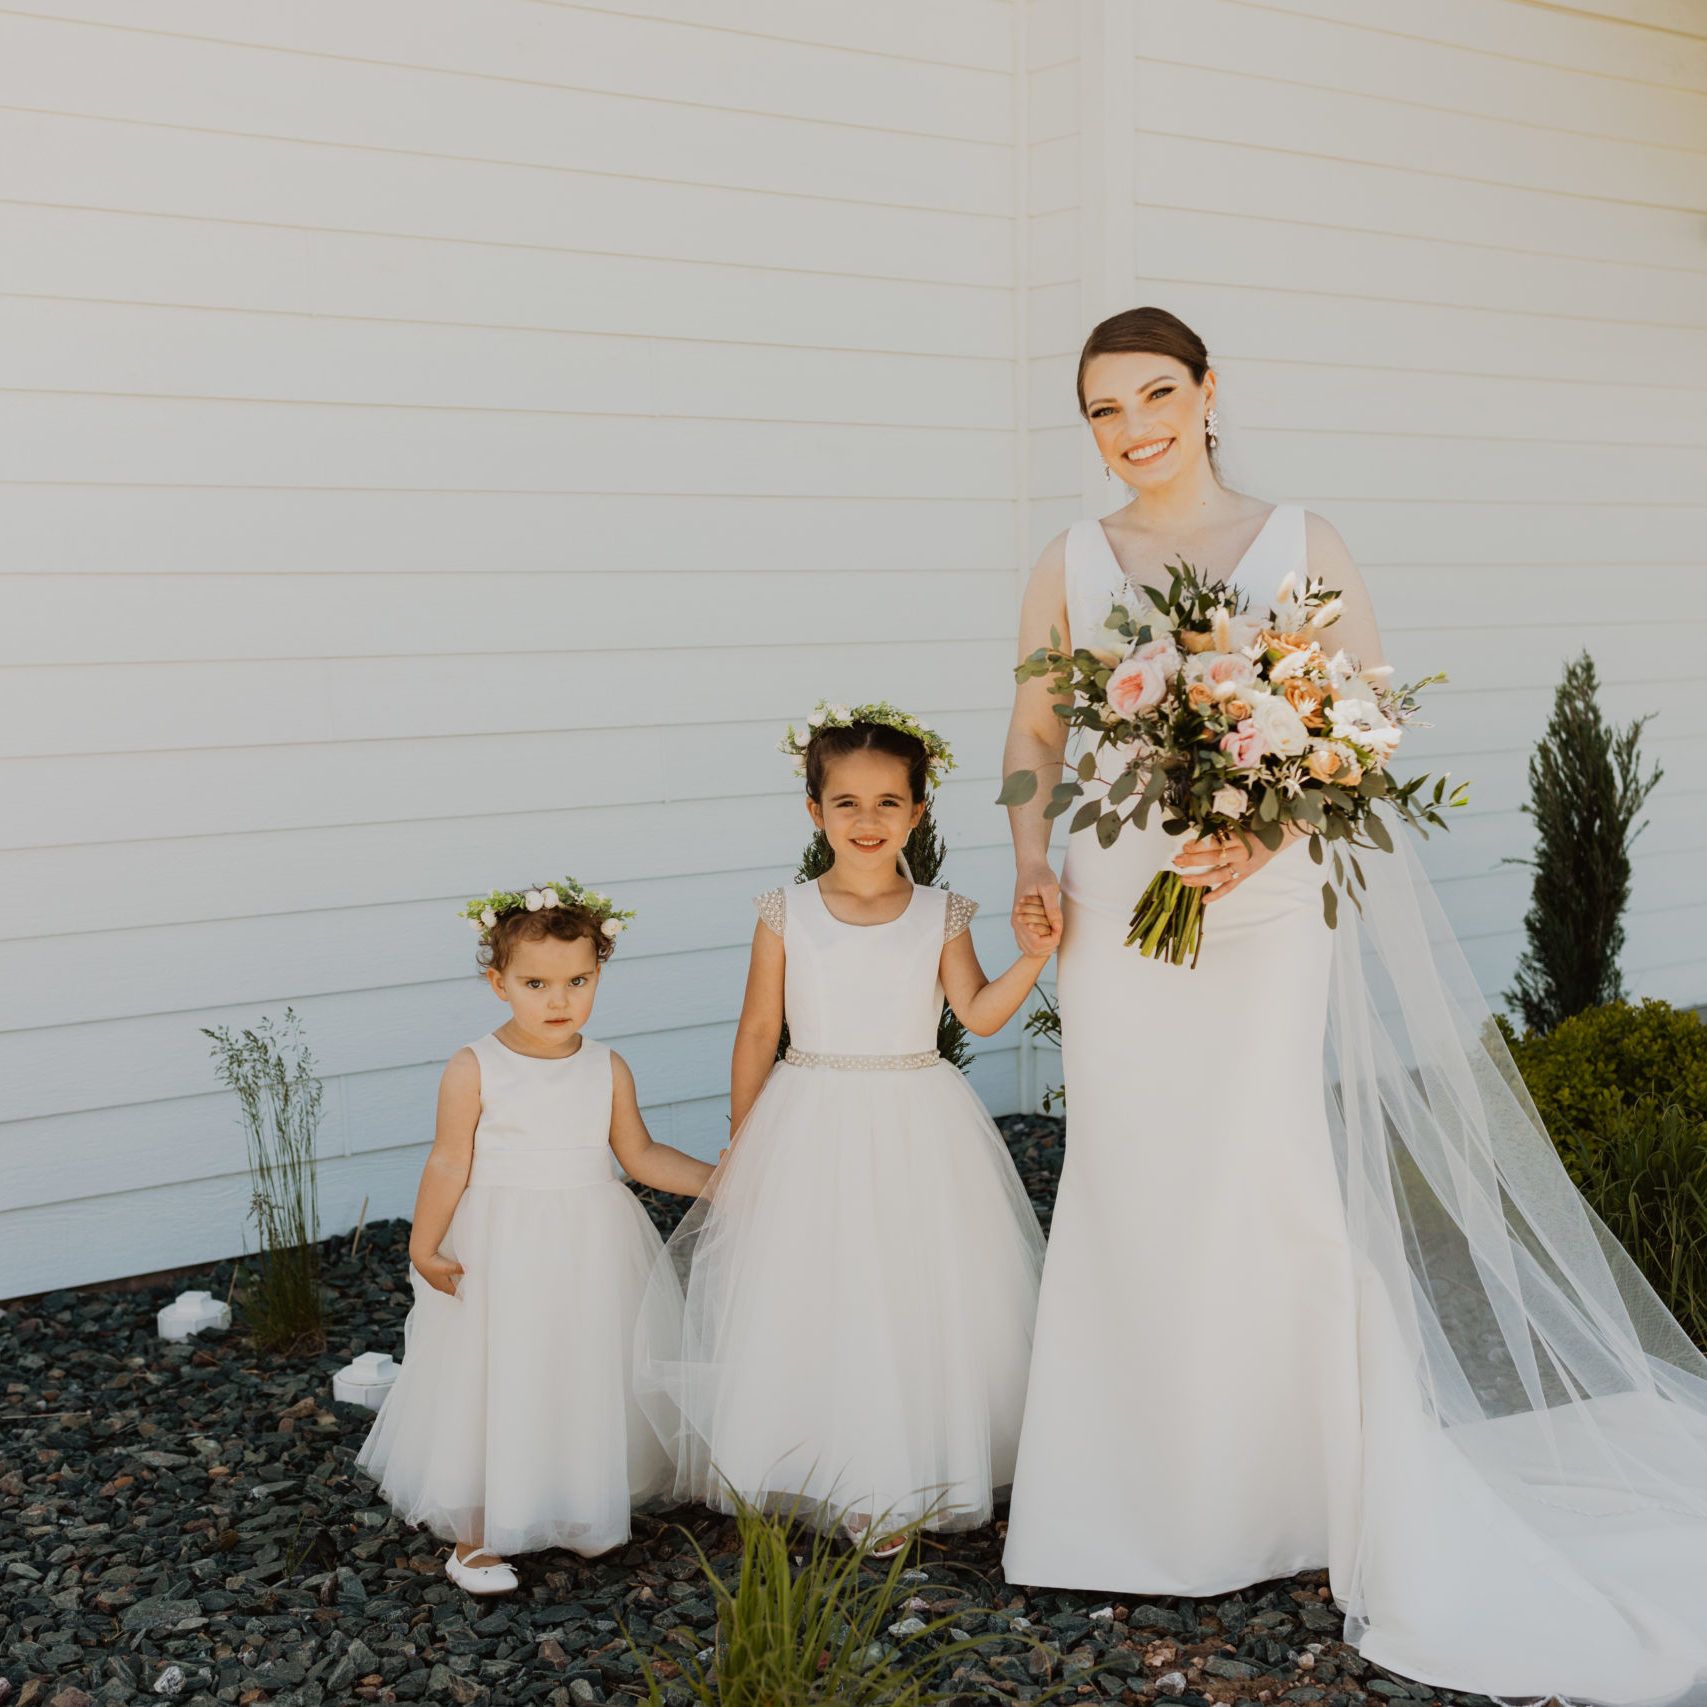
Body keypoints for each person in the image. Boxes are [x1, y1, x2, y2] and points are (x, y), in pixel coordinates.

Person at [1000, 307, 1707, 1701]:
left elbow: (1361, 727)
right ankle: (1125, 1496)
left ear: (1207, 392)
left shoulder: (1297, 542)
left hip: (1259, 901)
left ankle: (1289, 1485)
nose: (1132, 426)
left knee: (1254, 1162)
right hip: (1112, 895)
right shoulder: (1068, 561)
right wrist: (1028, 853)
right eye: (1101, 408)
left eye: (1154, 393)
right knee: (1130, 1165)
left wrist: (1262, 833)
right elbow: (1032, 730)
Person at [637, 704, 1057, 1553]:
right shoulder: (785, 910)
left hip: (914, 1116)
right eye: (846, 803)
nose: (867, 821)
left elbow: (974, 1014)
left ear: (919, 809)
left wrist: (1034, 958)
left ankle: (894, 1474)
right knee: (809, 1283)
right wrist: (744, 1140)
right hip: (811, 1110)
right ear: (813, 810)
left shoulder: (940, 911)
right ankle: (804, 1453)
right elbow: (758, 1031)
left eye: (888, 803)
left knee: (907, 1284)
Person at [357, 879, 713, 1594]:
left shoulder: (606, 1066)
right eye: (536, 982)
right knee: (498, 1371)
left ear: (598, 974)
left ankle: (578, 1505)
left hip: (590, 1240)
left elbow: (638, 1155)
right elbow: (449, 1158)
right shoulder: (474, 1066)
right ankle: (477, 1532)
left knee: (579, 1364)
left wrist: (724, 1179)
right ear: (498, 983)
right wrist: (423, 1246)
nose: (559, 1000)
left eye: (577, 980)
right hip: (502, 1243)